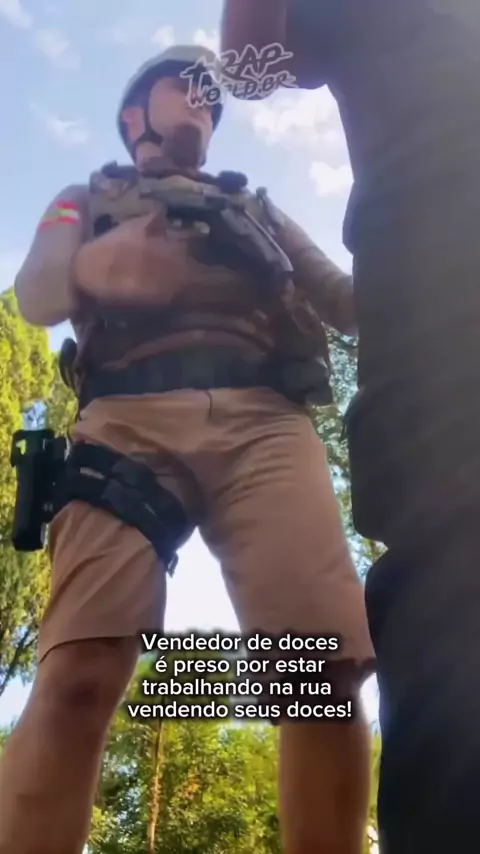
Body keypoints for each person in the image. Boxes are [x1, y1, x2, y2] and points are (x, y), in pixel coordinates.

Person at [0, 44, 375, 854]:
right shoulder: (85, 198)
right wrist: (97, 262)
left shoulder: (259, 207)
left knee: (320, 675)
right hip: (124, 425)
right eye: (187, 84)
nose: (204, 97)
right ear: (133, 114)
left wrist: (430, 238)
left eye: (213, 92)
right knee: (77, 673)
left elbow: (348, 304)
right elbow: (37, 295)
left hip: (265, 424)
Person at [220, 1, 480, 852]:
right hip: (427, 265)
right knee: (448, 564)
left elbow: (337, 299)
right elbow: (249, 66)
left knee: (343, 652)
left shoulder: (256, 206)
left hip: (401, 299)